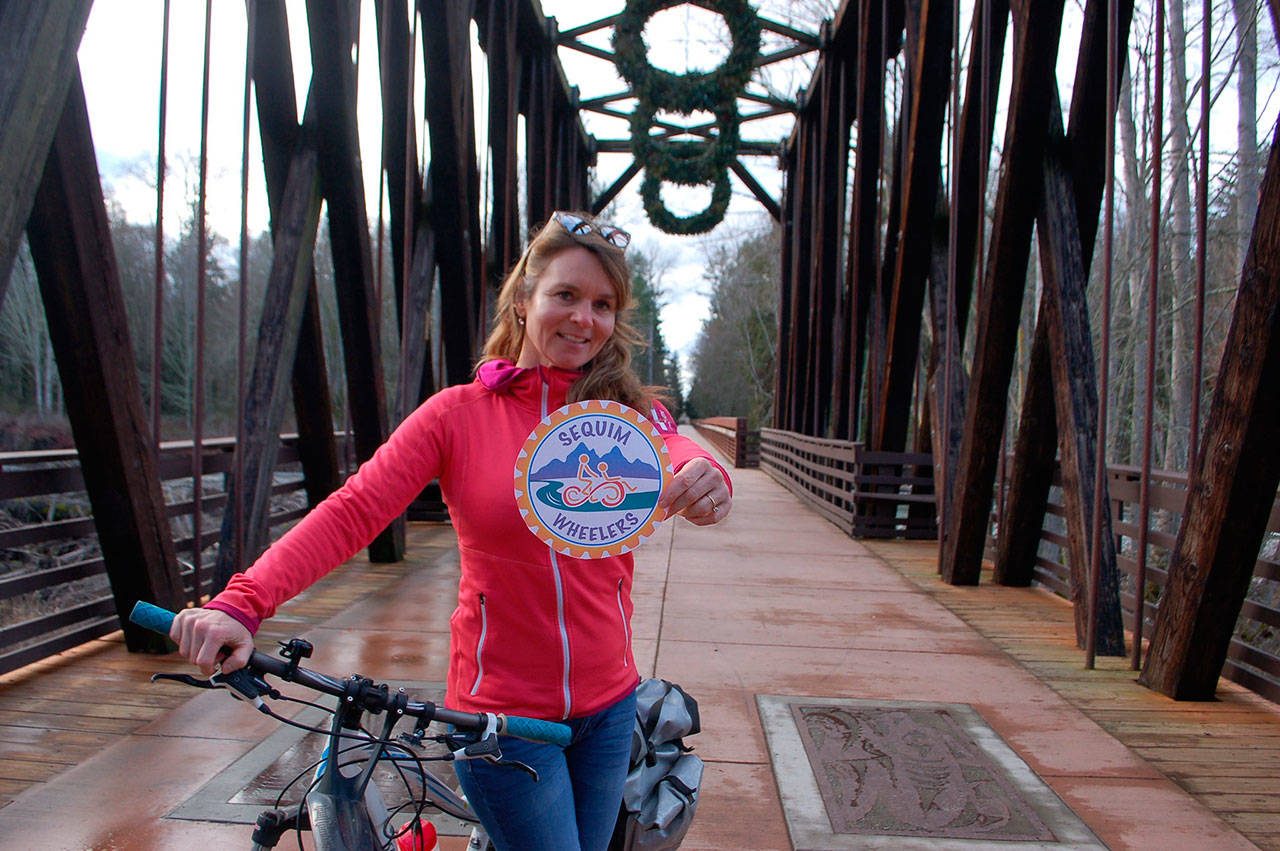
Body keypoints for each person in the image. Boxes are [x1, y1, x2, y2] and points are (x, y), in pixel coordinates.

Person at [170, 210, 733, 850]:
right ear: (523, 301)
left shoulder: (628, 418)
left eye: (603, 305)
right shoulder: (457, 417)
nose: (584, 319)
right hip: (502, 722)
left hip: (609, 710)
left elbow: (682, 450)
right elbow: (354, 510)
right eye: (566, 295)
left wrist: (708, 476)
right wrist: (241, 603)